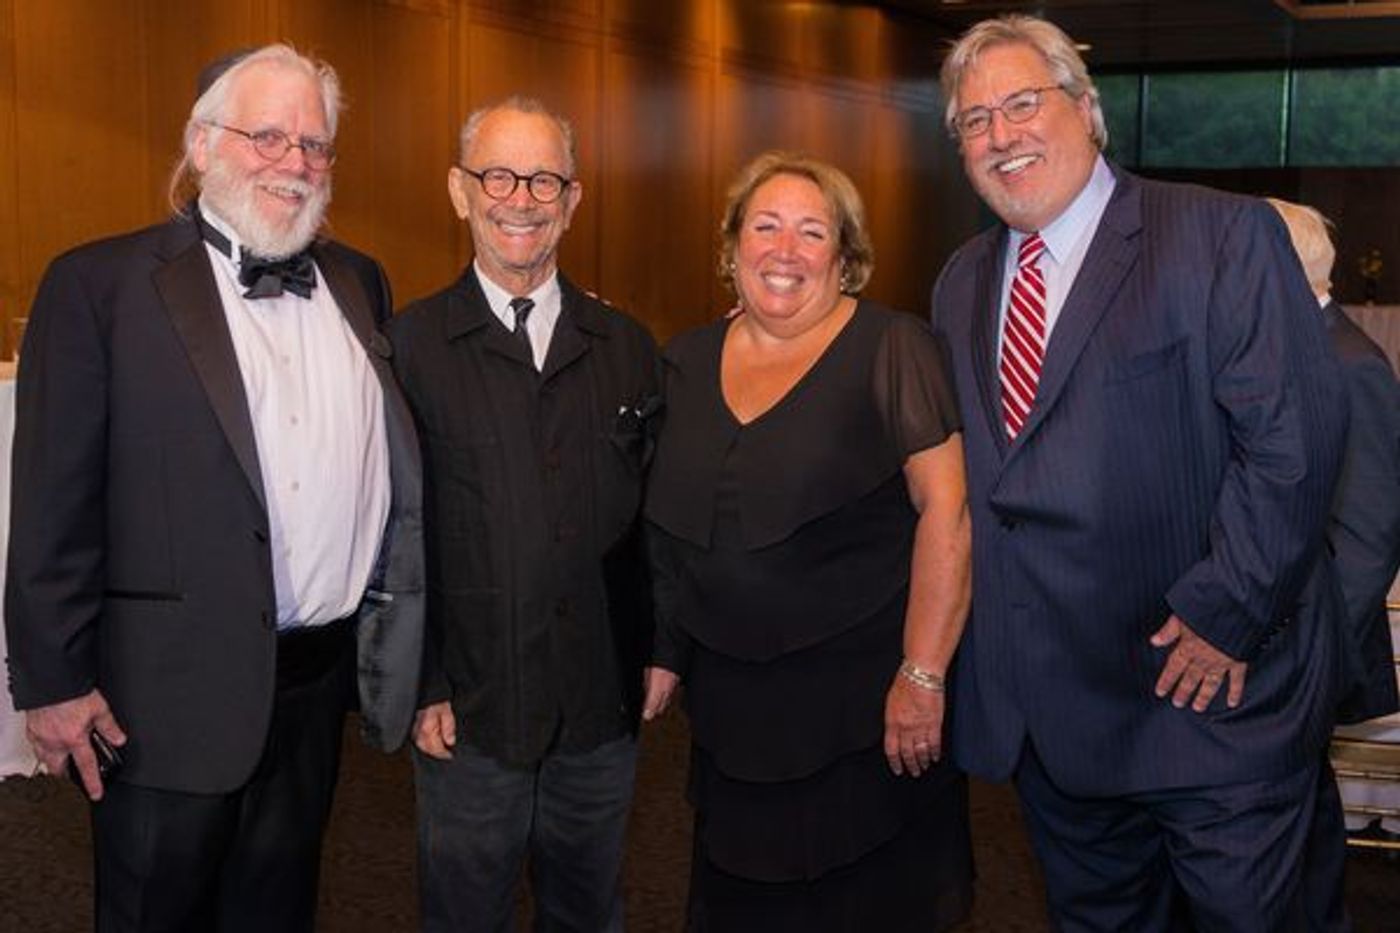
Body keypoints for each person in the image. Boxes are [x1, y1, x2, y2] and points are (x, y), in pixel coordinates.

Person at [930, 15, 1348, 932]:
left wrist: (1226, 612)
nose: (1001, 136)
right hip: (1054, 724)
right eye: (973, 121)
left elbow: (1294, 442)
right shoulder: (960, 281)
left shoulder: (1219, 236)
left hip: (1206, 703)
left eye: (1022, 104)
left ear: (1086, 108)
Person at [4, 44, 424, 932]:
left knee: (279, 908)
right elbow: (52, 503)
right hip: (161, 699)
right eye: (267, 135)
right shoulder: (99, 286)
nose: (295, 163)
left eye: (315, 145)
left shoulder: (358, 281)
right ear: (200, 143)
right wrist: (51, 682)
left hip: (314, 688)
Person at [644, 151, 974, 932]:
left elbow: (948, 514)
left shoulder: (894, 348)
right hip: (732, 712)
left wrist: (922, 675)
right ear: (732, 247)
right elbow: (667, 530)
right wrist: (665, 648)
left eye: (810, 231)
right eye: (764, 226)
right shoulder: (685, 360)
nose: (784, 250)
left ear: (845, 255)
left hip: (862, 713)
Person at [386, 96, 659, 933]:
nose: (522, 198)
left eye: (544, 179)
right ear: (459, 191)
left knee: (588, 909)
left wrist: (662, 652)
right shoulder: (407, 349)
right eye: (498, 175)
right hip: (469, 708)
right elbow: (395, 532)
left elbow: (656, 525)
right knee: (465, 913)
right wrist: (419, 681)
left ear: (572, 201)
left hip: (598, 703)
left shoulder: (626, 346)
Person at [1269, 196, 1400, 932]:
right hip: (1284, 651)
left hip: (1307, 651)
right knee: (1301, 818)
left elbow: (1372, 531)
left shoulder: (1351, 363)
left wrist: (1307, 652)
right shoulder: (1297, 348)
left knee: (1301, 830)